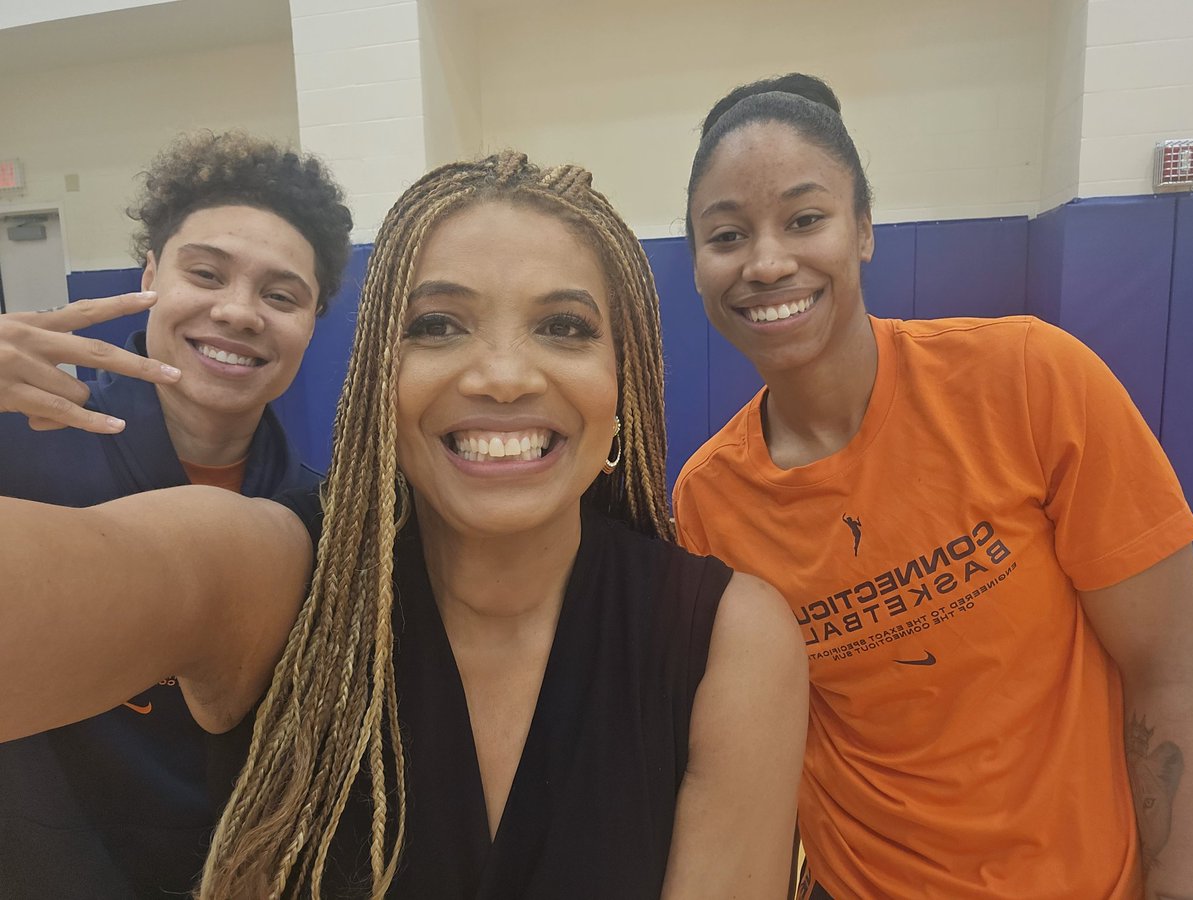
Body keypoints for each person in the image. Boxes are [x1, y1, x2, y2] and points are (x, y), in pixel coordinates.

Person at [0, 151, 808, 898]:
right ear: (380, 378)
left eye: (564, 327)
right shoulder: (276, 575)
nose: (500, 376)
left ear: (623, 379)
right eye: (437, 325)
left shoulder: (727, 641)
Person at [671, 74, 1193, 899]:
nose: (767, 262)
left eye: (805, 219)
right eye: (727, 234)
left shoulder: (1030, 378)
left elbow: (1171, 671)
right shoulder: (709, 503)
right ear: (697, 263)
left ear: (866, 230)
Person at [0, 131, 353, 896]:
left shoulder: (319, 512)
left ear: (312, 320)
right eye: (205, 273)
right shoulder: (20, 441)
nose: (239, 312)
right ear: (151, 273)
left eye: (281, 294)